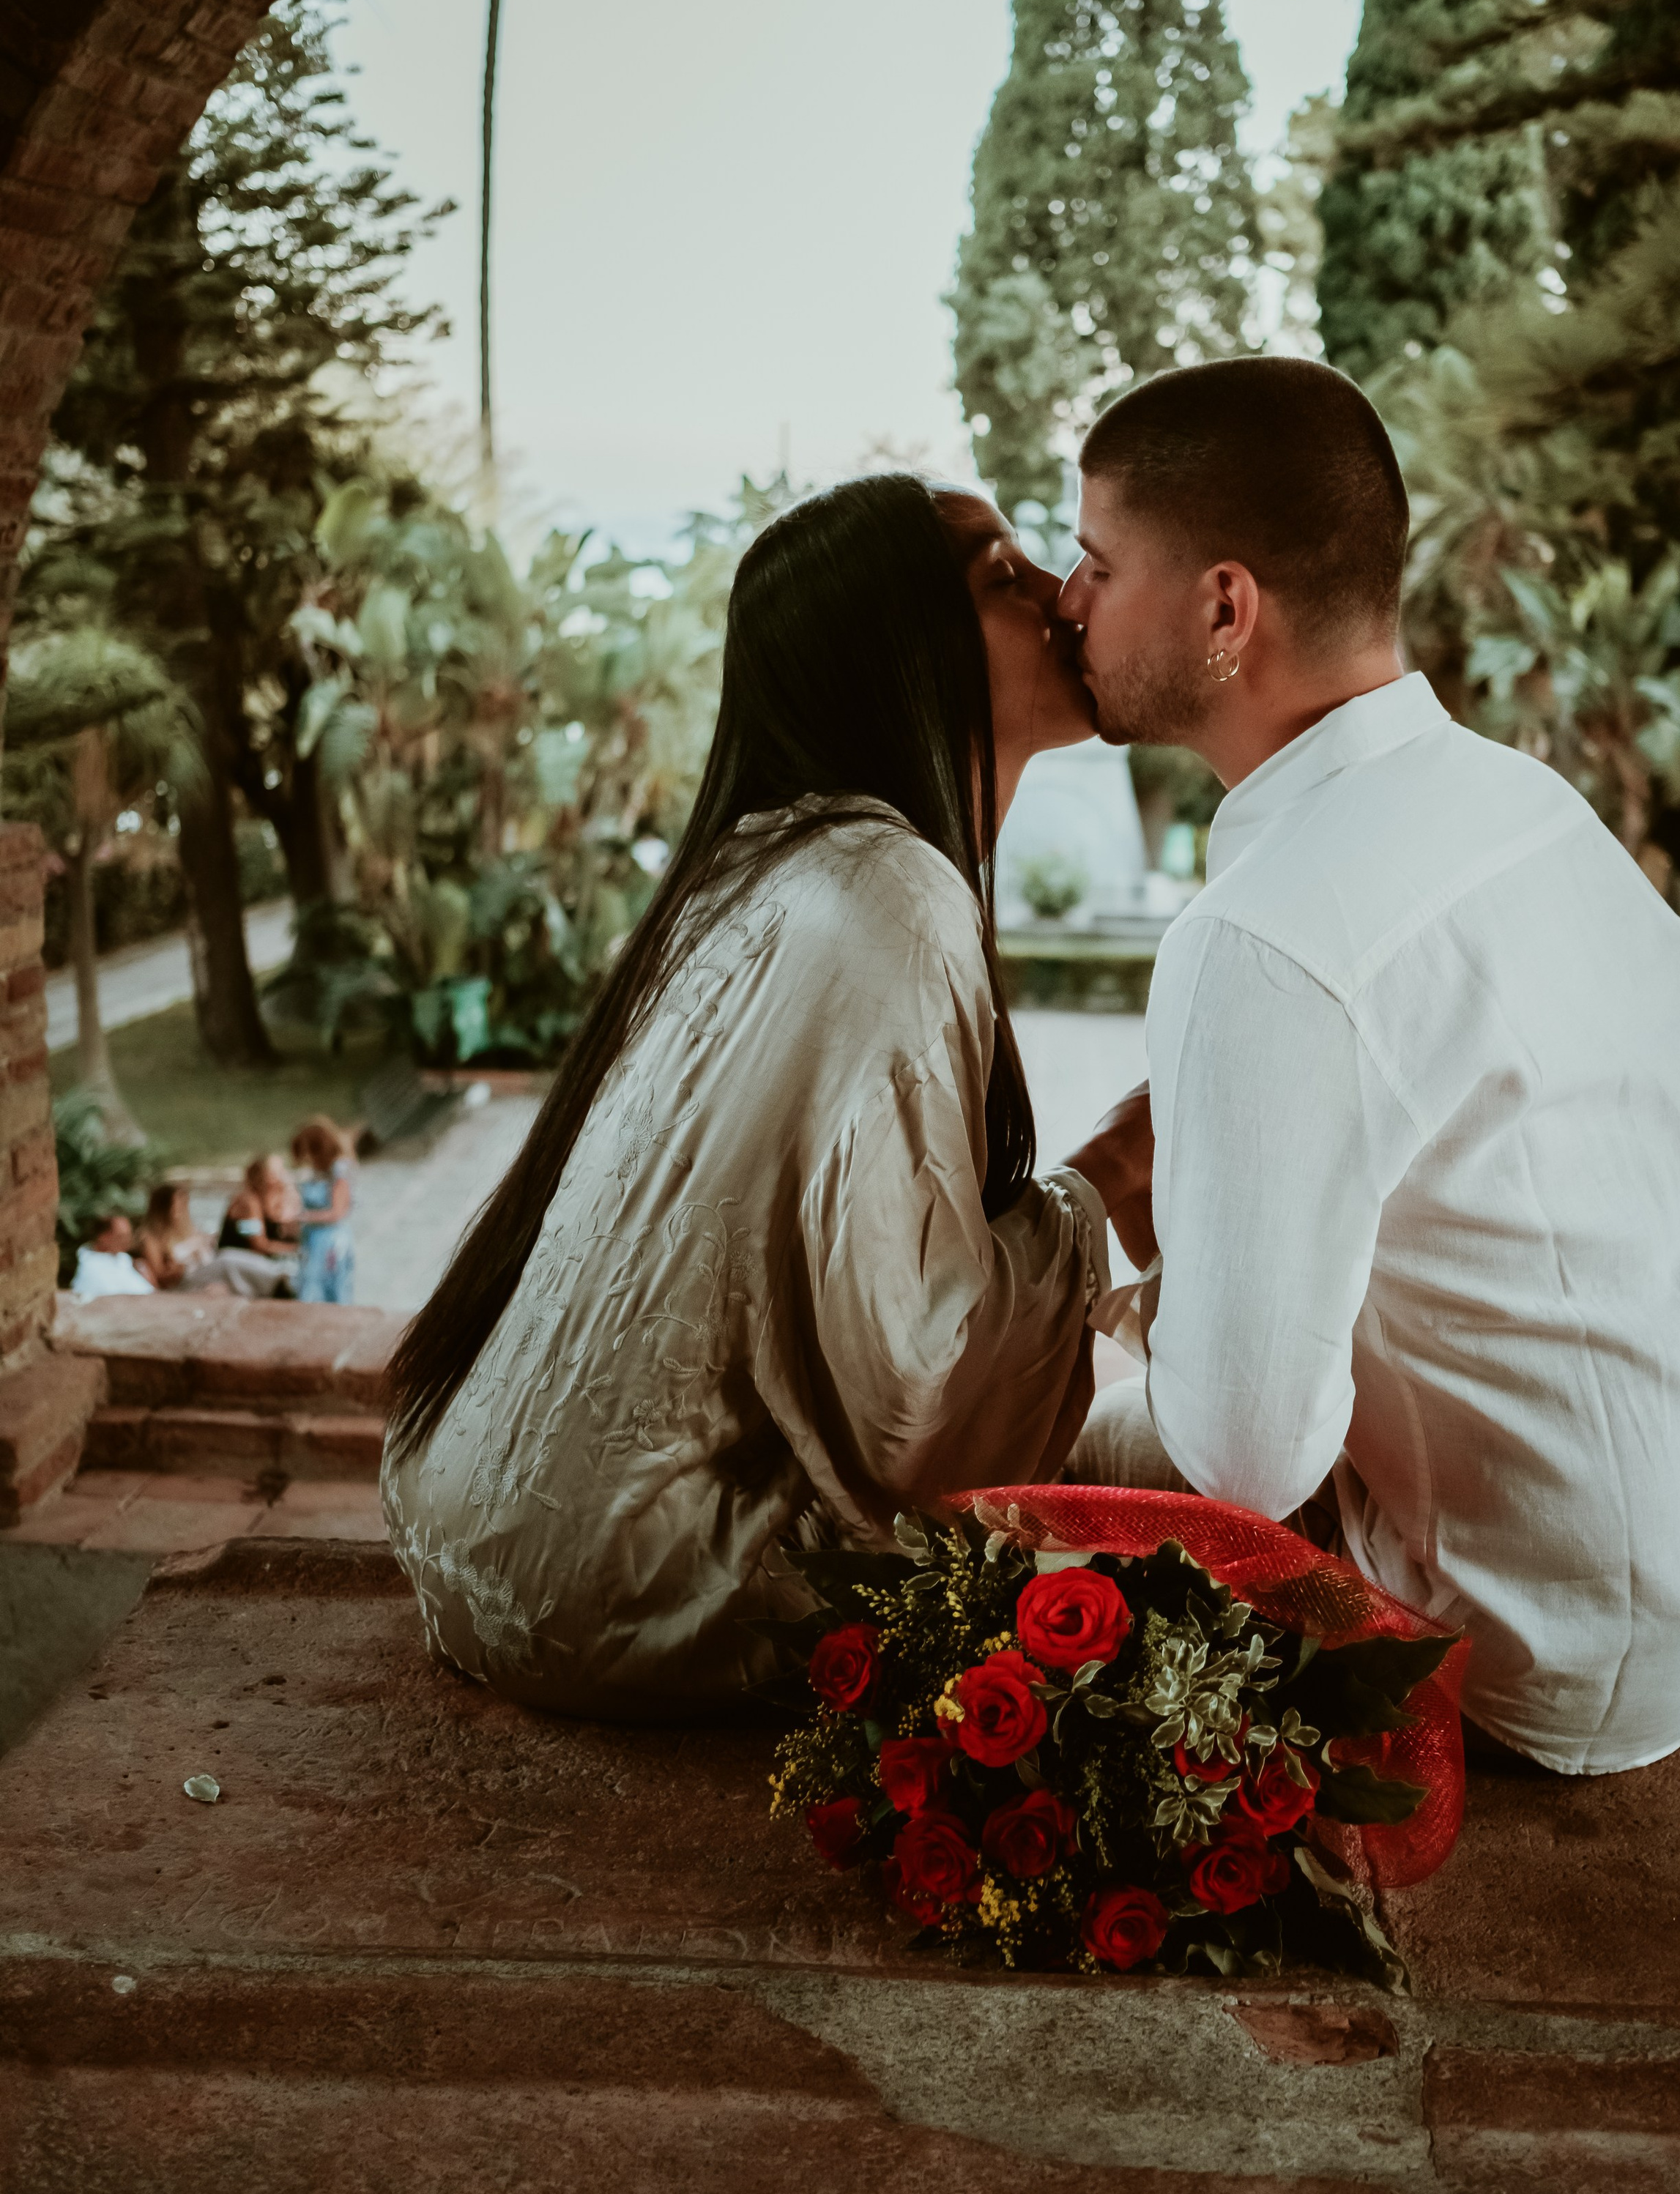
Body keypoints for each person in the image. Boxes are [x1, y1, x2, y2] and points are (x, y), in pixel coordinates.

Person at [1056, 356, 1680, 1779]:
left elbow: (1244, 1464)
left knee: (1035, 1449)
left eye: (1097, 563)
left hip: (1566, 1638)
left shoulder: (1263, 937)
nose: (1067, 600)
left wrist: (1092, 1334)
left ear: (1225, 609)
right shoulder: (1531, 807)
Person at [383, 473, 1132, 1718]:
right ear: (900, 649)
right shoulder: (890, 890)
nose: (1062, 596)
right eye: (1004, 577)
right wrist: (1106, 1189)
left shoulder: (765, 867)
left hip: (470, 1518)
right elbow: (907, 1387)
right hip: (617, 1589)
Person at [213, 1155, 302, 1300]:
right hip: (234, 1262)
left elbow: (288, 1233)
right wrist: (296, 1249)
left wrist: (290, 1196)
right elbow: (258, 1245)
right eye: (280, 1171)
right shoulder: (248, 1202)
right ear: (267, 1176)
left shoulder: (270, 1202)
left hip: (255, 1264)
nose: (285, 1175)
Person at [291, 1118, 357, 1304]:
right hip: (313, 1238)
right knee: (310, 1284)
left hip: (330, 1240)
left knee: (327, 1288)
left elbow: (337, 1213)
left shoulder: (339, 1169)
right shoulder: (317, 1172)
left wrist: (303, 1217)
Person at [69, 1211, 155, 1301]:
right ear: (103, 1237)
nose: (127, 1241)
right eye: (121, 1236)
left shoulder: (126, 1260)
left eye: (129, 1236)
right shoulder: (91, 1267)